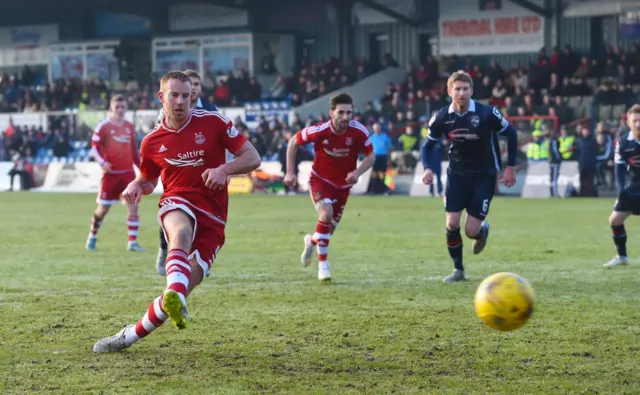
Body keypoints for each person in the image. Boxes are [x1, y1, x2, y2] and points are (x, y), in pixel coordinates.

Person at [92, 70, 261, 353]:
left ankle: (129, 335)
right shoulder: (152, 142)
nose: (181, 101)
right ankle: (172, 291)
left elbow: (252, 157)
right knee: (180, 231)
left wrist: (224, 169)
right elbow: (149, 179)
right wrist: (136, 184)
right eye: (175, 95)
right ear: (162, 97)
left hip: (214, 216)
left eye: (187, 95)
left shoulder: (213, 122)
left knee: (180, 292)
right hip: (177, 201)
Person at [420, 70, 518, 283]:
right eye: (457, 89)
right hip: (457, 175)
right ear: (449, 91)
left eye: (465, 89)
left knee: (470, 231)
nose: (461, 93)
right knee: (452, 224)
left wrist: (510, 167)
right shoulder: (442, 117)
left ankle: (481, 230)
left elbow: (511, 134)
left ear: (472, 91)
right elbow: (427, 147)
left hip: (484, 175)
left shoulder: (487, 113)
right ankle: (458, 270)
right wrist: (427, 168)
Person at [284, 93, 374, 281]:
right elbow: (293, 142)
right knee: (325, 214)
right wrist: (290, 172)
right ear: (331, 113)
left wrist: (357, 173)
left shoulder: (359, 132)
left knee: (327, 231)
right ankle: (323, 266)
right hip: (320, 180)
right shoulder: (319, 130)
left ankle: (311, 241)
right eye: (341, 112)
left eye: (349, 113)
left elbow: (371, 156)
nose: (346, 117)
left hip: (343, 186)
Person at [156, 69, 218, 276]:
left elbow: (223, 138)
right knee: (174, 213)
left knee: (203, 219)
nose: (194, 88)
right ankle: (165, 249)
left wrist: (224, 168)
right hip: (177, 171)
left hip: (205, 175)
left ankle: (196, 259)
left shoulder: (211, 110)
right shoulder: (169, 109)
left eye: (197, 84)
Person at [86, 95, 143, 252]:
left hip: (127, 174)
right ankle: (92, 236)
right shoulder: (103, 126)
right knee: (103, 209)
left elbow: (134, 151)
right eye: (117, 107)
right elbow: (94, 147)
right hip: (111, 175)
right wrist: (103, 163)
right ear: (111, 108)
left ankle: (132, 242)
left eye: (123, 107)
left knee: (133, 207)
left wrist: (142, 168)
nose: (120, 110)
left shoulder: (129, 127)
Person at [603, 104, 640, 268]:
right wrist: (621, 189)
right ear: (629, 122)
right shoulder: (623, 142)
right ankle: (622, 256)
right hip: (633, 186)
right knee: (615, 220)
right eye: (635, 120)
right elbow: (618, 168)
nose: (639, 124)